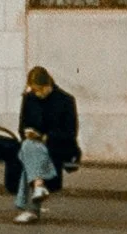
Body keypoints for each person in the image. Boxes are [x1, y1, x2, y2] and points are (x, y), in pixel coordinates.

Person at [11, 66, 79, 222]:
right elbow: (22, 127)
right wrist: (29, 133)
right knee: (29, 147)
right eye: (34, 90)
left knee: (29, 152)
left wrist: (46, 138)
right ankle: (38, 187)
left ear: (48, 84)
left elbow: (70, 133)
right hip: (34, 145)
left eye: (40, 90)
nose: (38, 94)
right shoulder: (29, 99)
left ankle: (32, 204)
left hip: (57, 147)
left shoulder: (65, 101)